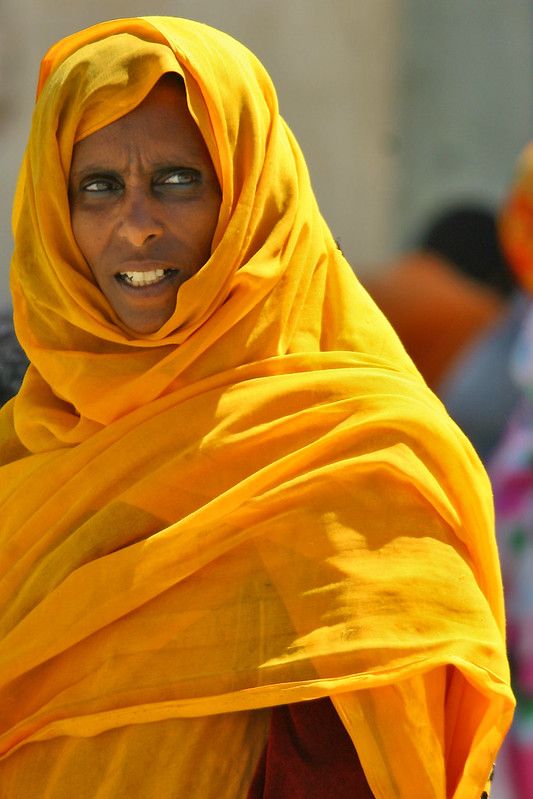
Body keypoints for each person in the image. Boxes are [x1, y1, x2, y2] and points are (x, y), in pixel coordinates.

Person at [0, 16, 513, 798]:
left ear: (251, 199)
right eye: (97, 186)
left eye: (178, 180)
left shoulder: (358, 454)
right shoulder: (24, 449)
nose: (136, 224)